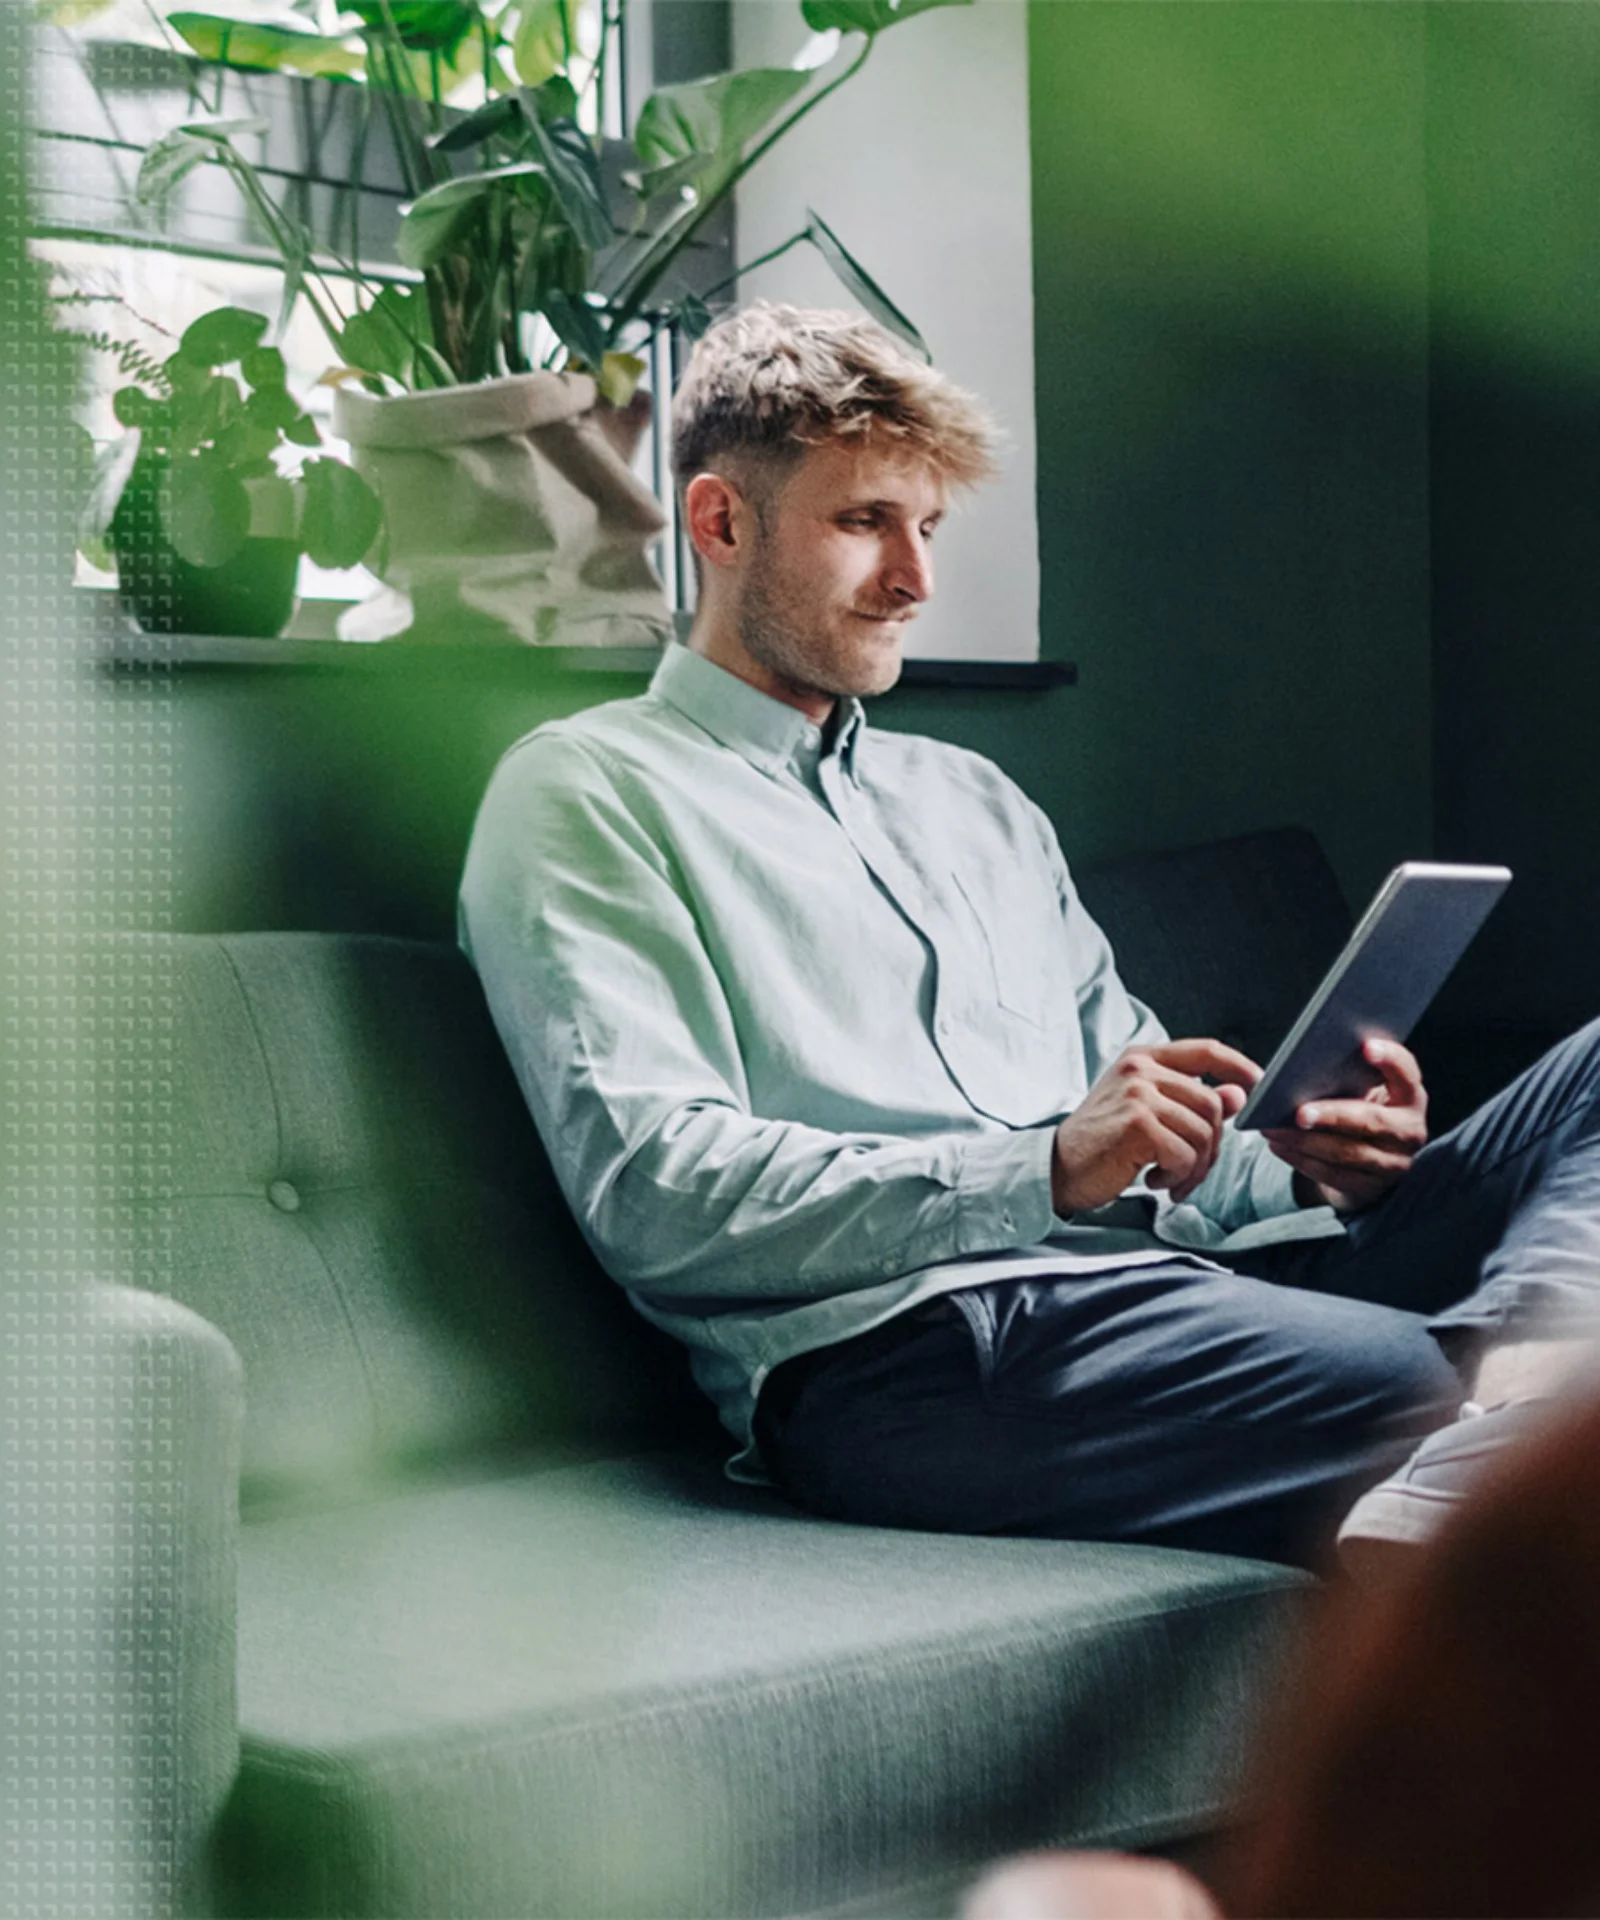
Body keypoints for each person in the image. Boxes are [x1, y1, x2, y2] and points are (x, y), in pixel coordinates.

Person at [458, 303, 1600, 1571]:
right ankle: (1512, 1429)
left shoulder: (978, 805)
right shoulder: (585, 793)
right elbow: (656, 1193)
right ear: (720, 522)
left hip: (1177, 1293)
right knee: (1464, 1395)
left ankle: (1521, 1388)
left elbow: (1167, 1153)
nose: (915, 578)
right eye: (862, 522)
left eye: (927, 527)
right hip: (913, 1355)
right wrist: (1041, 1168)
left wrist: (1317, 1168)